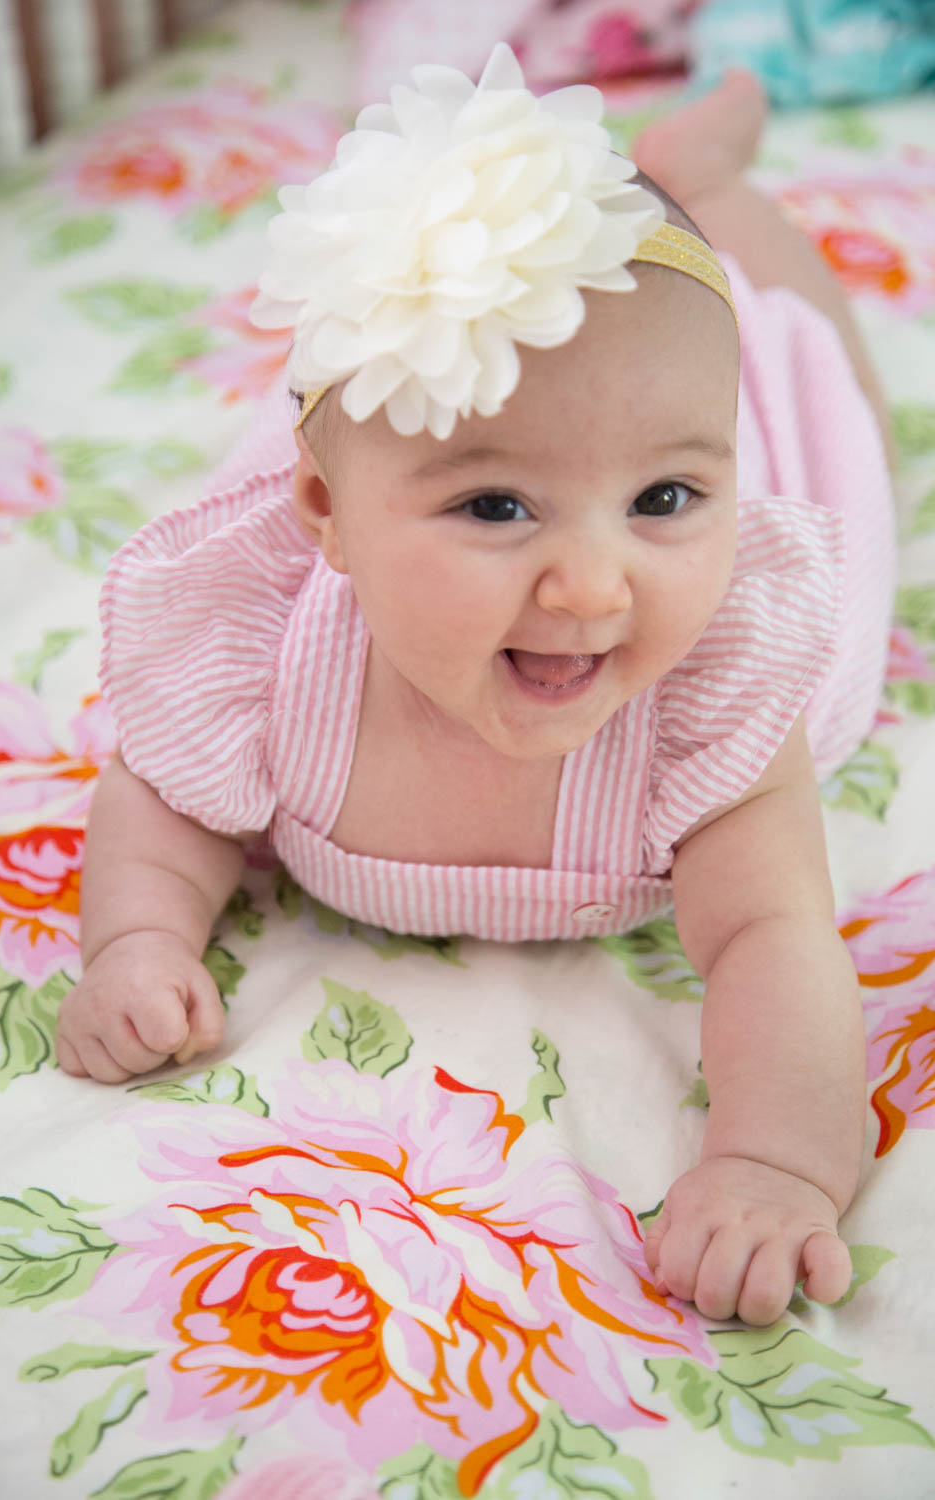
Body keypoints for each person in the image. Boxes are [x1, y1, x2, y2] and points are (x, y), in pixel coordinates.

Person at [57, 47, 895, 1328]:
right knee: (407, 410)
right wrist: (139, 940)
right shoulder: (272, 659)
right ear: (325, 519)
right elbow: (160, 800)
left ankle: (717, 196)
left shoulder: (710, 696)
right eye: (497, 507)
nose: (593, 586)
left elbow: (771, 937)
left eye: (663, 499)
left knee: (821, 392)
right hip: (416, 466)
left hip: (705, 415)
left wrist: (774, 1161)